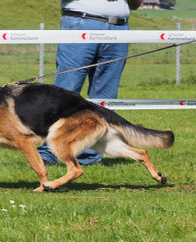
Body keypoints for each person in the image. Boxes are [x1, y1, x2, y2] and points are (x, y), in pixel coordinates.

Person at [38, 0, 143, 166]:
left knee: (106, 97)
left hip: (119, 28)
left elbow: (136, 4)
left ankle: (90, 152)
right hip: (82, 23)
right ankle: (49, 152)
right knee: (66, 92)